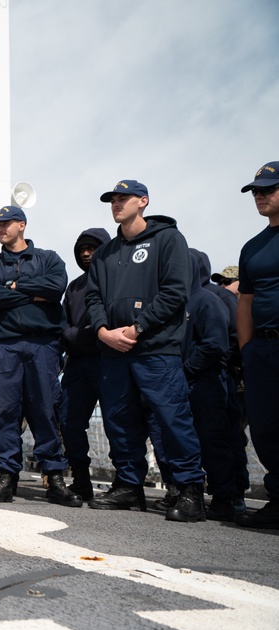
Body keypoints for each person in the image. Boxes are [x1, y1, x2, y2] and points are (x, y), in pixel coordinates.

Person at [84, 180, 205, 522]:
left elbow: (175, 292)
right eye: (112, 200)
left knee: (171, 418)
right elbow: (93, 298)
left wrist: (138, 327)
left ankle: (189, 489)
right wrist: (103, 331)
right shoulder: (106, 252)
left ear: (144, 201)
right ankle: (128, 485)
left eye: (123, 199)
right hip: (113, 350)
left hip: (156, 348)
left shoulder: (168, 239)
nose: (116, 204)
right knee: (119, 420)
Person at [0, 206, 80, 507]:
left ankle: (55, 477)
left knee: (45, 410)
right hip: (3, 346)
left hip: (42, 344)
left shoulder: (48, 259)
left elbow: (55, 287)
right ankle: (7, 475)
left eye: (5, 224)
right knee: (4, 411)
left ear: (22, 225)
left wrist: (14, 287)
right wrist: (32, 294)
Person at [235, 160, 279, 529]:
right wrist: (247, 350)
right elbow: (245, 301)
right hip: (262, 349)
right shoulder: (253, 247)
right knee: (265, 428)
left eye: (268, 189)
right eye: (256, 191)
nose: (260, 195)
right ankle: (278, 499)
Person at [183, 249, 240, 521]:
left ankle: (225, 497)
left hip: (206, 381)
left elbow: (216, 344)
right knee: (186, 439)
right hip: (184, 381)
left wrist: (187, 369)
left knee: (214, 438)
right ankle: (188, 491)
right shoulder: (176, 301)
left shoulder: (207, 301)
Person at [58, 227, 111, 501]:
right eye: (82, 250)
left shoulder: (117, 279)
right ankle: (80, 480)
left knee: (118, 422)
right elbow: (63, 325)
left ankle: (128, 484)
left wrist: (82, 333)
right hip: (77, 364)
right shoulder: (74, 286)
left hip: (109, 361)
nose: (87, 253)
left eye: (92, 248)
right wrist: (79, 335)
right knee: (69, 421)